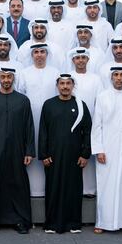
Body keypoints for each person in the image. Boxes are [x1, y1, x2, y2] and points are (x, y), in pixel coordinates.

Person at [0, 68, 36, 234]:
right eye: (3, 77)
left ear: (13, 78)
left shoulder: (23, 101)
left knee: (18, 183)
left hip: (18, 149)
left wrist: (29, 151)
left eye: (9, 77)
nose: (6, 79)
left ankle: (20, 221)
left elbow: (29, 127)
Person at [40, 73, 92, 234]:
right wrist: (43, 154)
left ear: (72, 85)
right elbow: (43, 131)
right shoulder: (49, 105)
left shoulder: (81, 105)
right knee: (53, 188)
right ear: (57, 86)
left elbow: (87, 131)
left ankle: (74, 224)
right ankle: (51, 224)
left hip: (74, 157)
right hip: (53, 157)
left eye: (68, 83)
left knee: (73, 190)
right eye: (62, 84)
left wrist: (85, 154)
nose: (65, 87)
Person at [91, 67, 122, 234]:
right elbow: (97, 125)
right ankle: (103, 221)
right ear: (111, 77)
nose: (119, 78)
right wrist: (99, 149)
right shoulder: (103, 97)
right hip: (108, 149)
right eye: (116, 75)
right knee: (106, 184)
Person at [20, 43, 59, 196]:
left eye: (42, 52)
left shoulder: (55, 72)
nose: (39, 55)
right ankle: (32, 190)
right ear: (32, 55)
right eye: (36, 52)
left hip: (51, 119)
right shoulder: (24, 73)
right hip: (30, 118)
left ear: (47, 54)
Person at [69, 48, 103, 196]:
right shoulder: (68, 77)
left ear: (88, 60)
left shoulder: (96, 79)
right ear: (73, 60)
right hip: (70, 125)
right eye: (77, 58)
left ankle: (89, 190)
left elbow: (100, 101)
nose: (81, 60)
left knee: (88, 153)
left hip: (92, 121)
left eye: (83, 57)